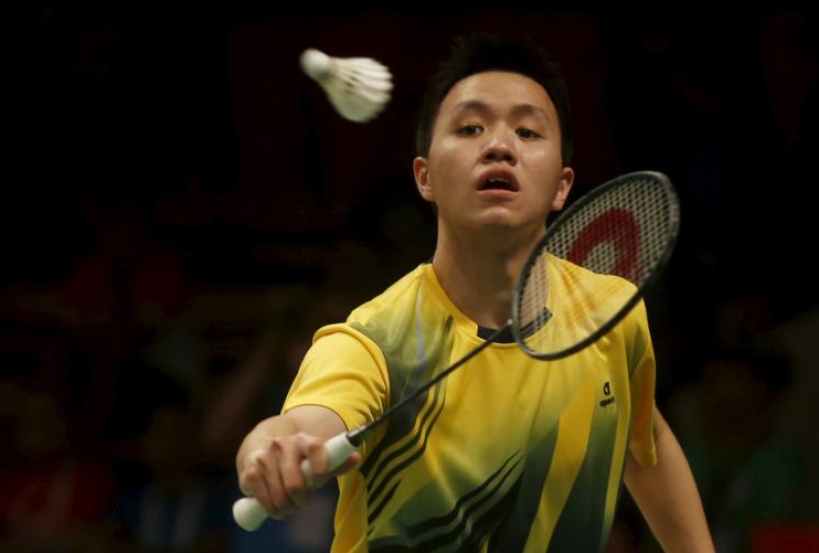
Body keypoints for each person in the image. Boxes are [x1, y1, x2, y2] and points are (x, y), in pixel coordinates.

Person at [237, 33, 714, 552]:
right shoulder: (376, 340)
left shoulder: (609, 311)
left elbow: (644, 443)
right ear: (424, 177)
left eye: (528, 131)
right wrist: (271, 451)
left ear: (561, 186)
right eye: (470, 128)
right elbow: (301, 424)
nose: (500, 146)